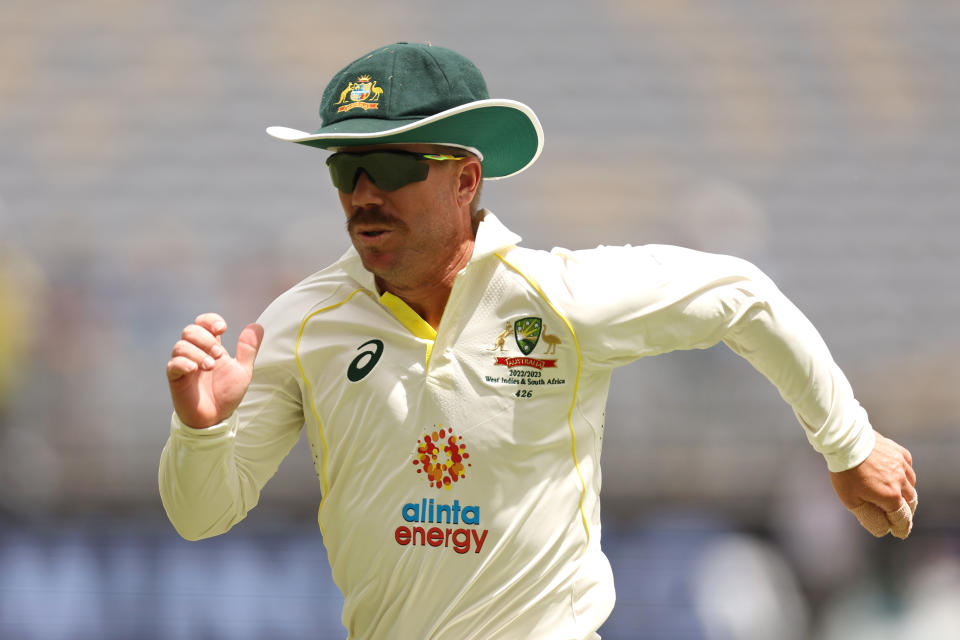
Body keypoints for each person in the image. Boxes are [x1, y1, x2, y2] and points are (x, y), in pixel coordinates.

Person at [159, 42, 918, 639]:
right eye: (347, 167)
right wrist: (200, 430)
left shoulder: (559, 297)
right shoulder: (299, 324)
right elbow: (201, 515)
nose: (363, 193)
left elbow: (742, 297)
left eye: (390, 163)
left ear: (465, 178)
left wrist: (847, 445)